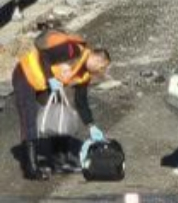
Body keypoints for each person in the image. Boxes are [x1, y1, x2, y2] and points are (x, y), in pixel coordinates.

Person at [11, 30, 111, 180]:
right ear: (96, 59)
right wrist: (50, 78)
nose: (100, 72)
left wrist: (91, 125)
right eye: (102, 67)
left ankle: (59, 162)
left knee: (60, 116)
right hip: (25, 75)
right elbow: (44, 54)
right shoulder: (72, 50)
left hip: (43, 84)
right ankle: (31, 169)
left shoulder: (84, 75)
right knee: (29, 119)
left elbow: (81, 102)